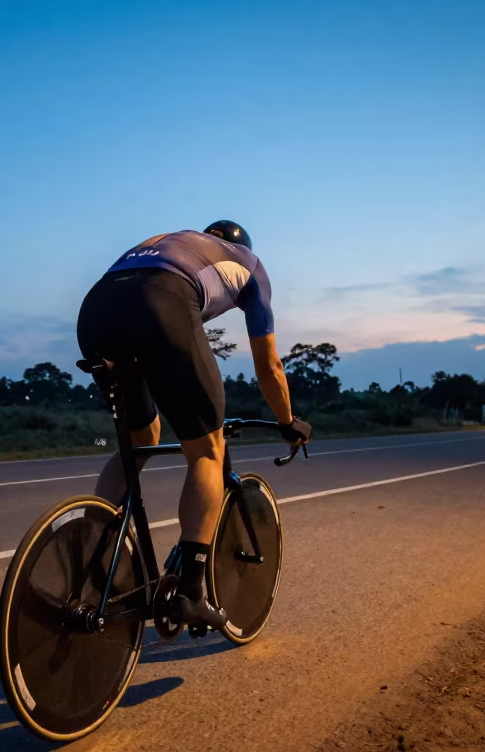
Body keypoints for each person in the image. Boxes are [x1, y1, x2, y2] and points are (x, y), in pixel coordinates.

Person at [76, 220, 311, 629]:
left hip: (96, 310)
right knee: (206, 449)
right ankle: (190, 593)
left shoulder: (173, 239)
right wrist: (287, 421)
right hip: (161, 301)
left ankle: (95, 550)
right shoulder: (251, 265)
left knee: (139, 439)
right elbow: (269, 365)